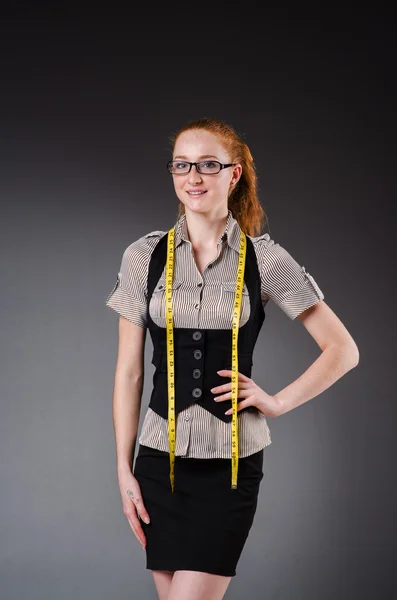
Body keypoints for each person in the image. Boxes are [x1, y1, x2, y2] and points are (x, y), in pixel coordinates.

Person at [105, 117, 359, 600]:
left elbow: (343, 350)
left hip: (231, 467)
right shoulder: (144, 256)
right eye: (182, 165)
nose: (193, 177)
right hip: (160, 462)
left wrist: (277, 402)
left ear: (234, 174)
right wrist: (123, 468)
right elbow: (129, 371)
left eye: (207, 164)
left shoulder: (266, 260)